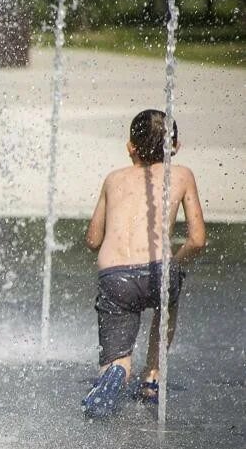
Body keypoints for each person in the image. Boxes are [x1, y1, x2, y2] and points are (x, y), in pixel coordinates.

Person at [82, 109, 206, 418]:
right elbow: (197, 240)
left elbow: (93, 240)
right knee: (168, 297)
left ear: (129, 147)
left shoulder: (113, 179)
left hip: (115, 278)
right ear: (175, 147)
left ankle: (116, 373)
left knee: (116, 359)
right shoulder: (182, 175)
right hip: (157, 271)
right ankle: (152, 376)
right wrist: (173, 265)